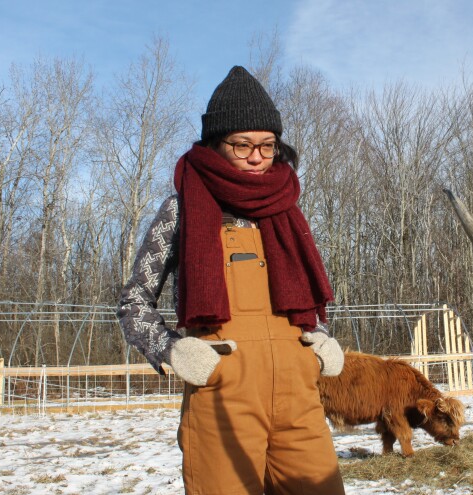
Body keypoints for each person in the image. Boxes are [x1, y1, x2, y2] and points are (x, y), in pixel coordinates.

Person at [117, 65, 346, 495]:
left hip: (299, 397)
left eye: (267, 145)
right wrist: (170, 349)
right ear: (215, 145)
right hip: (223, 397)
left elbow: (309, 300)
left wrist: (319, 337)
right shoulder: (181, 210)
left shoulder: (288, 210)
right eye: (242, 145)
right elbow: (133, 303)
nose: (258, 156)